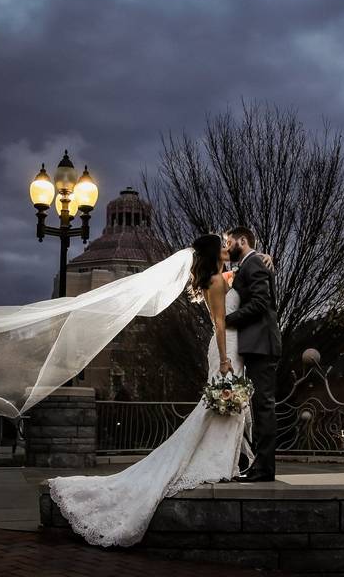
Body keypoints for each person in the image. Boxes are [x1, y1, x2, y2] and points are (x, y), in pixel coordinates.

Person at [47, 234, 255, 546]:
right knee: (219, 406)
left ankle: (228, 459)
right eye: (224, 247)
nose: (229, 249)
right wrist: (225, 359)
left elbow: (243, 273)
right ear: (214, 253)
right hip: (226, 350)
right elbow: (221, 325)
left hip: (235, 349)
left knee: (225, 407)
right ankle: (219, 461)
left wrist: (257, 261)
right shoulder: (214, 283)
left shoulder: (221, 278)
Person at [225, 226, 282, 482]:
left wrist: (227, 320)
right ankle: (260, 465)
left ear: (242, 240)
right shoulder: (251, 264)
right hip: (256, 345)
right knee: (260, 407)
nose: (228, 246)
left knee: (264, 407)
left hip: (263, 345)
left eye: (230, 241)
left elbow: (261, 303)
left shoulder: (254, 263)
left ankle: (264, 469)